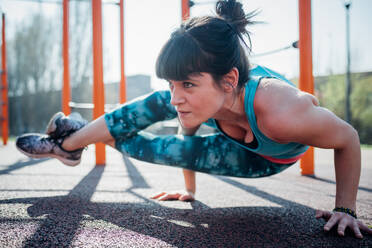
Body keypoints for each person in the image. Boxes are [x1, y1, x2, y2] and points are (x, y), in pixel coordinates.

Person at [16, 0, 371, 239]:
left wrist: (345, 208)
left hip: (265, 157)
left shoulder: (283, 111)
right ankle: (69, 145)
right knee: (159, 113)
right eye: (173, 83)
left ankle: (71, 139)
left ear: (230, 80)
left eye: (186, 83)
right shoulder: (199, 97)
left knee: (168, 113)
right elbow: (186, 142)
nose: (176, 95)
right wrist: (190, 190)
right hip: (221, 115)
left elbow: (348, 138)